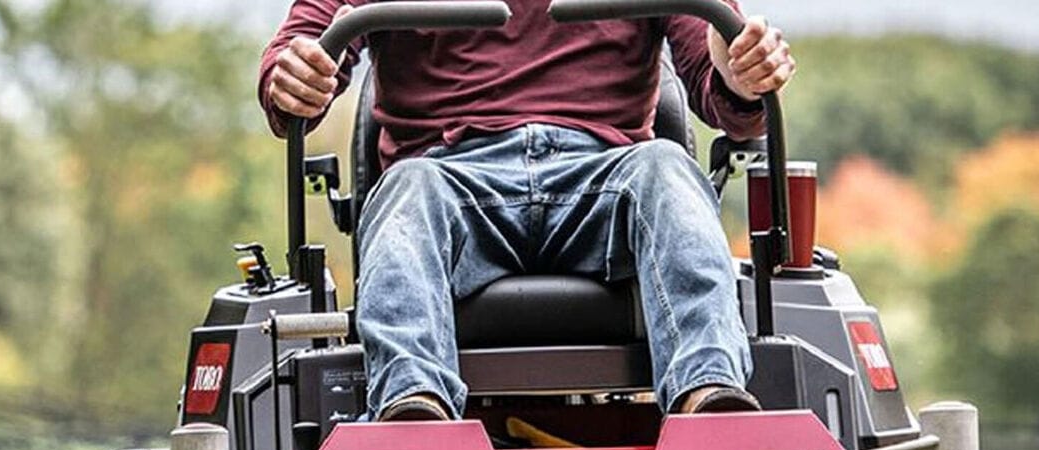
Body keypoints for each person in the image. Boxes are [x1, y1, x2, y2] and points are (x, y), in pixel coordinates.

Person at [259, 0, 795, 421]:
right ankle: (412, 403)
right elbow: (298, 55)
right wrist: (295, 76)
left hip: (604, 176)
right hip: (451, 177)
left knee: (666, 165)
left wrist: (741, 77)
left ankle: (710, 396)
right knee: (408, 185)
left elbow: (726, 95)